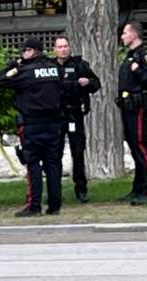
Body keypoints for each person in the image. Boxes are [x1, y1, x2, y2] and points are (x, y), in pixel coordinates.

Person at [0, 37, 64, 217]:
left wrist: (13, 64)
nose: (22, 53)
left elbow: (1, 80)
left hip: (32, 124)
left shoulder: (25, 71)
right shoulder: (54, 69)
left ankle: (34, 206)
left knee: (33, 164)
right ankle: (54, 205)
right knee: (53, 165)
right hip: (53, 123)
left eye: (24, 50)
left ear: (33, 51)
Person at [52, 36, 100, 203]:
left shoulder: (80, 65)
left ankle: (81, 189)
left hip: (75, 115)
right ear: (54, 50)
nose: (63, 49)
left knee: (78, 152)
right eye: (59, 47)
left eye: (65, 46)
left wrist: (88, 82)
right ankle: (54, 191)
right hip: (56, 116)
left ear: (69, 48)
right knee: (54, 154)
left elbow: (96, 84)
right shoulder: (50, 67)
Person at [116, 21, 147, 205]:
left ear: (134, 34)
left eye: (125, 33)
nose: (122, 36)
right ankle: (138, 188)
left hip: (138, 106)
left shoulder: (143, 55)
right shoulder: (130, 55)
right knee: (134, 147)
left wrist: (139, 70)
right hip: (127, 106)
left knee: (141, 146)